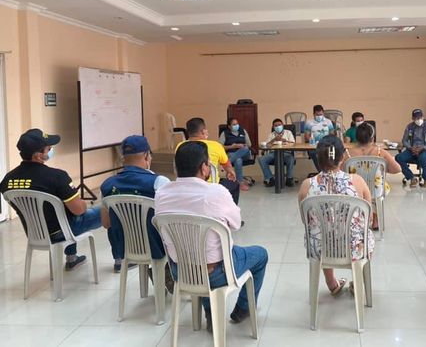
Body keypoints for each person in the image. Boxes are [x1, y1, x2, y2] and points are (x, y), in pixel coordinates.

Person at [155, 141, 268, 331]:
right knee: (261, 254)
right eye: (208, 164)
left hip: (180, 271)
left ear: (175, 168)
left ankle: (210, 311)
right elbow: (235, 223)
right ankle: (243, 308)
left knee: (200, 251)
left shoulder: (161, 193)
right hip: (216, 273)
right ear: (204, 168)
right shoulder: (216, 192)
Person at [0, 129, 102, 270]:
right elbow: (78, 210)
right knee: (108, 210)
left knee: (62, 210)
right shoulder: (57, 176)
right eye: (48, 148)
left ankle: (72, 259)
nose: (51, 150)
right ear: (38, 155)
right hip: (61, 232)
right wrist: (82, 204)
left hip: (35, 233)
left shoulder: (7, 180)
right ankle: (120, 260)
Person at [298, 135, 374, 295]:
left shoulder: (307, 185)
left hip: (320, 250)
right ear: (343, 156)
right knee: (366, 235)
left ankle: (331, 282)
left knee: (321, 231)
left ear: (318, 158)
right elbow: (369, 219)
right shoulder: (358, 181)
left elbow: (305, 221)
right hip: (354, 249)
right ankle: (357, 281)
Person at [100, 135, 169, 273]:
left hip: (124, 249)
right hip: (156, 248)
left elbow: (106, 223)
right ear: (146, 156)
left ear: (123, 157)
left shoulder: (107, 184)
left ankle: (119, 261)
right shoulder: (159, 182)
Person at [343, 123, 401, 230]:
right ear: (372, 138)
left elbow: (341, 171)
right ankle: (375, 220)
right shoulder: (381, 152)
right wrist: (383, 169)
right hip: (375, 189)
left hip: (355, 189)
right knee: (382, 187)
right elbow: (397, 169)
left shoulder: (348, 154)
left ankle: (358, 219)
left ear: (356, 138)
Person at [184, 117, 241, 205]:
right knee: (234, 184)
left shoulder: (180, 146)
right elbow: (226, 164)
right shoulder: (216, 146)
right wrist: (230, 171)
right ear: (203, 131)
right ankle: (230, 210)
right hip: (210, 187)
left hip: (187, 188)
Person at [395, 109, 426, 188]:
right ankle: (412, 177)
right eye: (416, 118)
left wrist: (423, 148)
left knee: (423, 157)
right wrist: (410, 147)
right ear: (412, 118)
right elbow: (404, 140)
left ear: (423, 117)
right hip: (412, 149)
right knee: (399, 157)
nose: (418, 120)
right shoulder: (409, 127)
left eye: (420, 118)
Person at [258, 118, 295, 187]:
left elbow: (293, 143)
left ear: (282, 125)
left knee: (291, 159)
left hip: (286, 153)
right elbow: (267, 145)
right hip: (273, 153)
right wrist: (274, 139)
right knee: (261, 159)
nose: (278, 127)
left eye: (279, 125)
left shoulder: (288, 132)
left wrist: (283, 140)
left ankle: (289, 178)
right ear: (273, 127)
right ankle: (270, 178)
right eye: (276, 125)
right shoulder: (271, 135)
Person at [219, 118, 252, 191]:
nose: (236, 125)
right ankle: (240, 183)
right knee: (238, 160)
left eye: (237, 124)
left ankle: (227, 163)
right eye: (234, 124)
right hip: (232, 153)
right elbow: (220, 147)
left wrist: (242, 145)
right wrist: (233, 146)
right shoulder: (224, 133)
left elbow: (249, 144)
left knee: (246, 148)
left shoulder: (243, 131)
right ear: (229, 126)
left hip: (244, 154)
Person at [304, 105, 334, 171]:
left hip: (326, 145)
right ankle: (321, 172)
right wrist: (312, 141)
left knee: (332, 154)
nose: (319, 116)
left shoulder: (328, 122)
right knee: (316, 154)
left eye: (320, 114)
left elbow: (332, 135)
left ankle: (328, 171)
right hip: (314, 146)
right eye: (317, 115)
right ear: (313, 114)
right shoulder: (309, 122)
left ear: (323, 113)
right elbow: (306, 136)